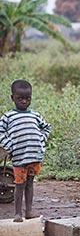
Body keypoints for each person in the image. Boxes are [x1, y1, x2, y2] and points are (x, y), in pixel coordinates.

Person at [0, 80, 51, 222]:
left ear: (31, 98)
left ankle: (28, 211)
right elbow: (0, 132)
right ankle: (17, 213)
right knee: (19, 185)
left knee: (30, 184)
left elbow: (46, 127)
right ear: (12, 98)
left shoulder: (35, 115)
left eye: (27, 98)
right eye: (20, 98)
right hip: (19, 157)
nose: (24, 101)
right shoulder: (8, 117)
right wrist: (9, 145)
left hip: (34, 157)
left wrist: (41, 139)